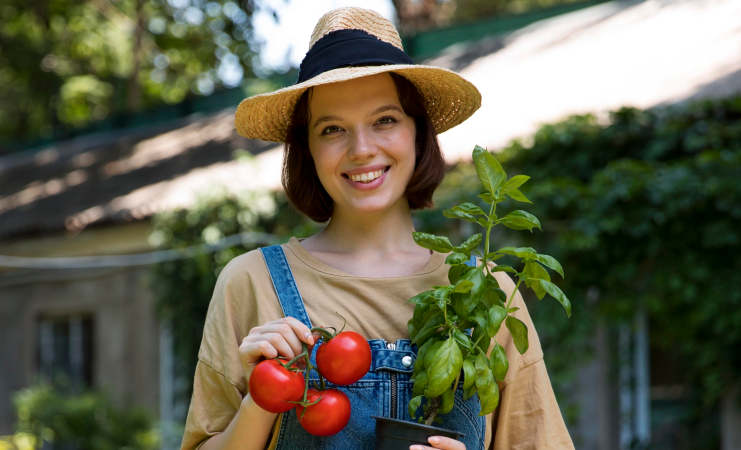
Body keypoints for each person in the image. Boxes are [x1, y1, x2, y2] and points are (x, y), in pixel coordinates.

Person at [180, 7, 574, 450]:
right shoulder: (251, 283)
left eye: (385, 120)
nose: (362, 149)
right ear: (306, 150)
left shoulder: (482, 291)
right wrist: (262, 398)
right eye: (332, 129)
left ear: (418, 134)